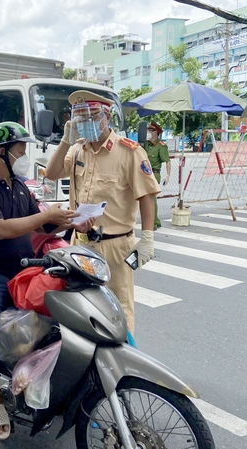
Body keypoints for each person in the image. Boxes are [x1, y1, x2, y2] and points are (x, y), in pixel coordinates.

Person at [0, 121, 79, 440]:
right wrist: (44, 215)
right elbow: (1, 229)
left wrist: (70, 220)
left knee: (58, 314)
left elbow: (40, 229)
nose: (24, 154)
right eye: (20, 148)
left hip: (25, 270)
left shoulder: (20, 187)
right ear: (0, 152)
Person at [44, 90, 160, 333]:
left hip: (115, 246)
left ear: (106, 118)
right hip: (80, 242)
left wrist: (147, 237)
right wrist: (65, 140)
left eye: (90, 117)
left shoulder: (129, 151)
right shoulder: (77, 150)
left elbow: (147, 194)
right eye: (80, 119)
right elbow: (52, 173)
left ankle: (124, 364)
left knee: (119, 309)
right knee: (81, 305)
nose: (85, 124)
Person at [143, 122, 171, 229]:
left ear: (156, 133)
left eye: (150, 130)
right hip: (145, 173)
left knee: (151, 199)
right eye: (148, 130)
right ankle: (156, 221)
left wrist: (167, 175)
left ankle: (153, 223)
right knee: (149, 199)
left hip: (154, 174)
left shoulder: (161, 146)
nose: (148, 132)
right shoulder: (146, 144)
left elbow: (167, 161)